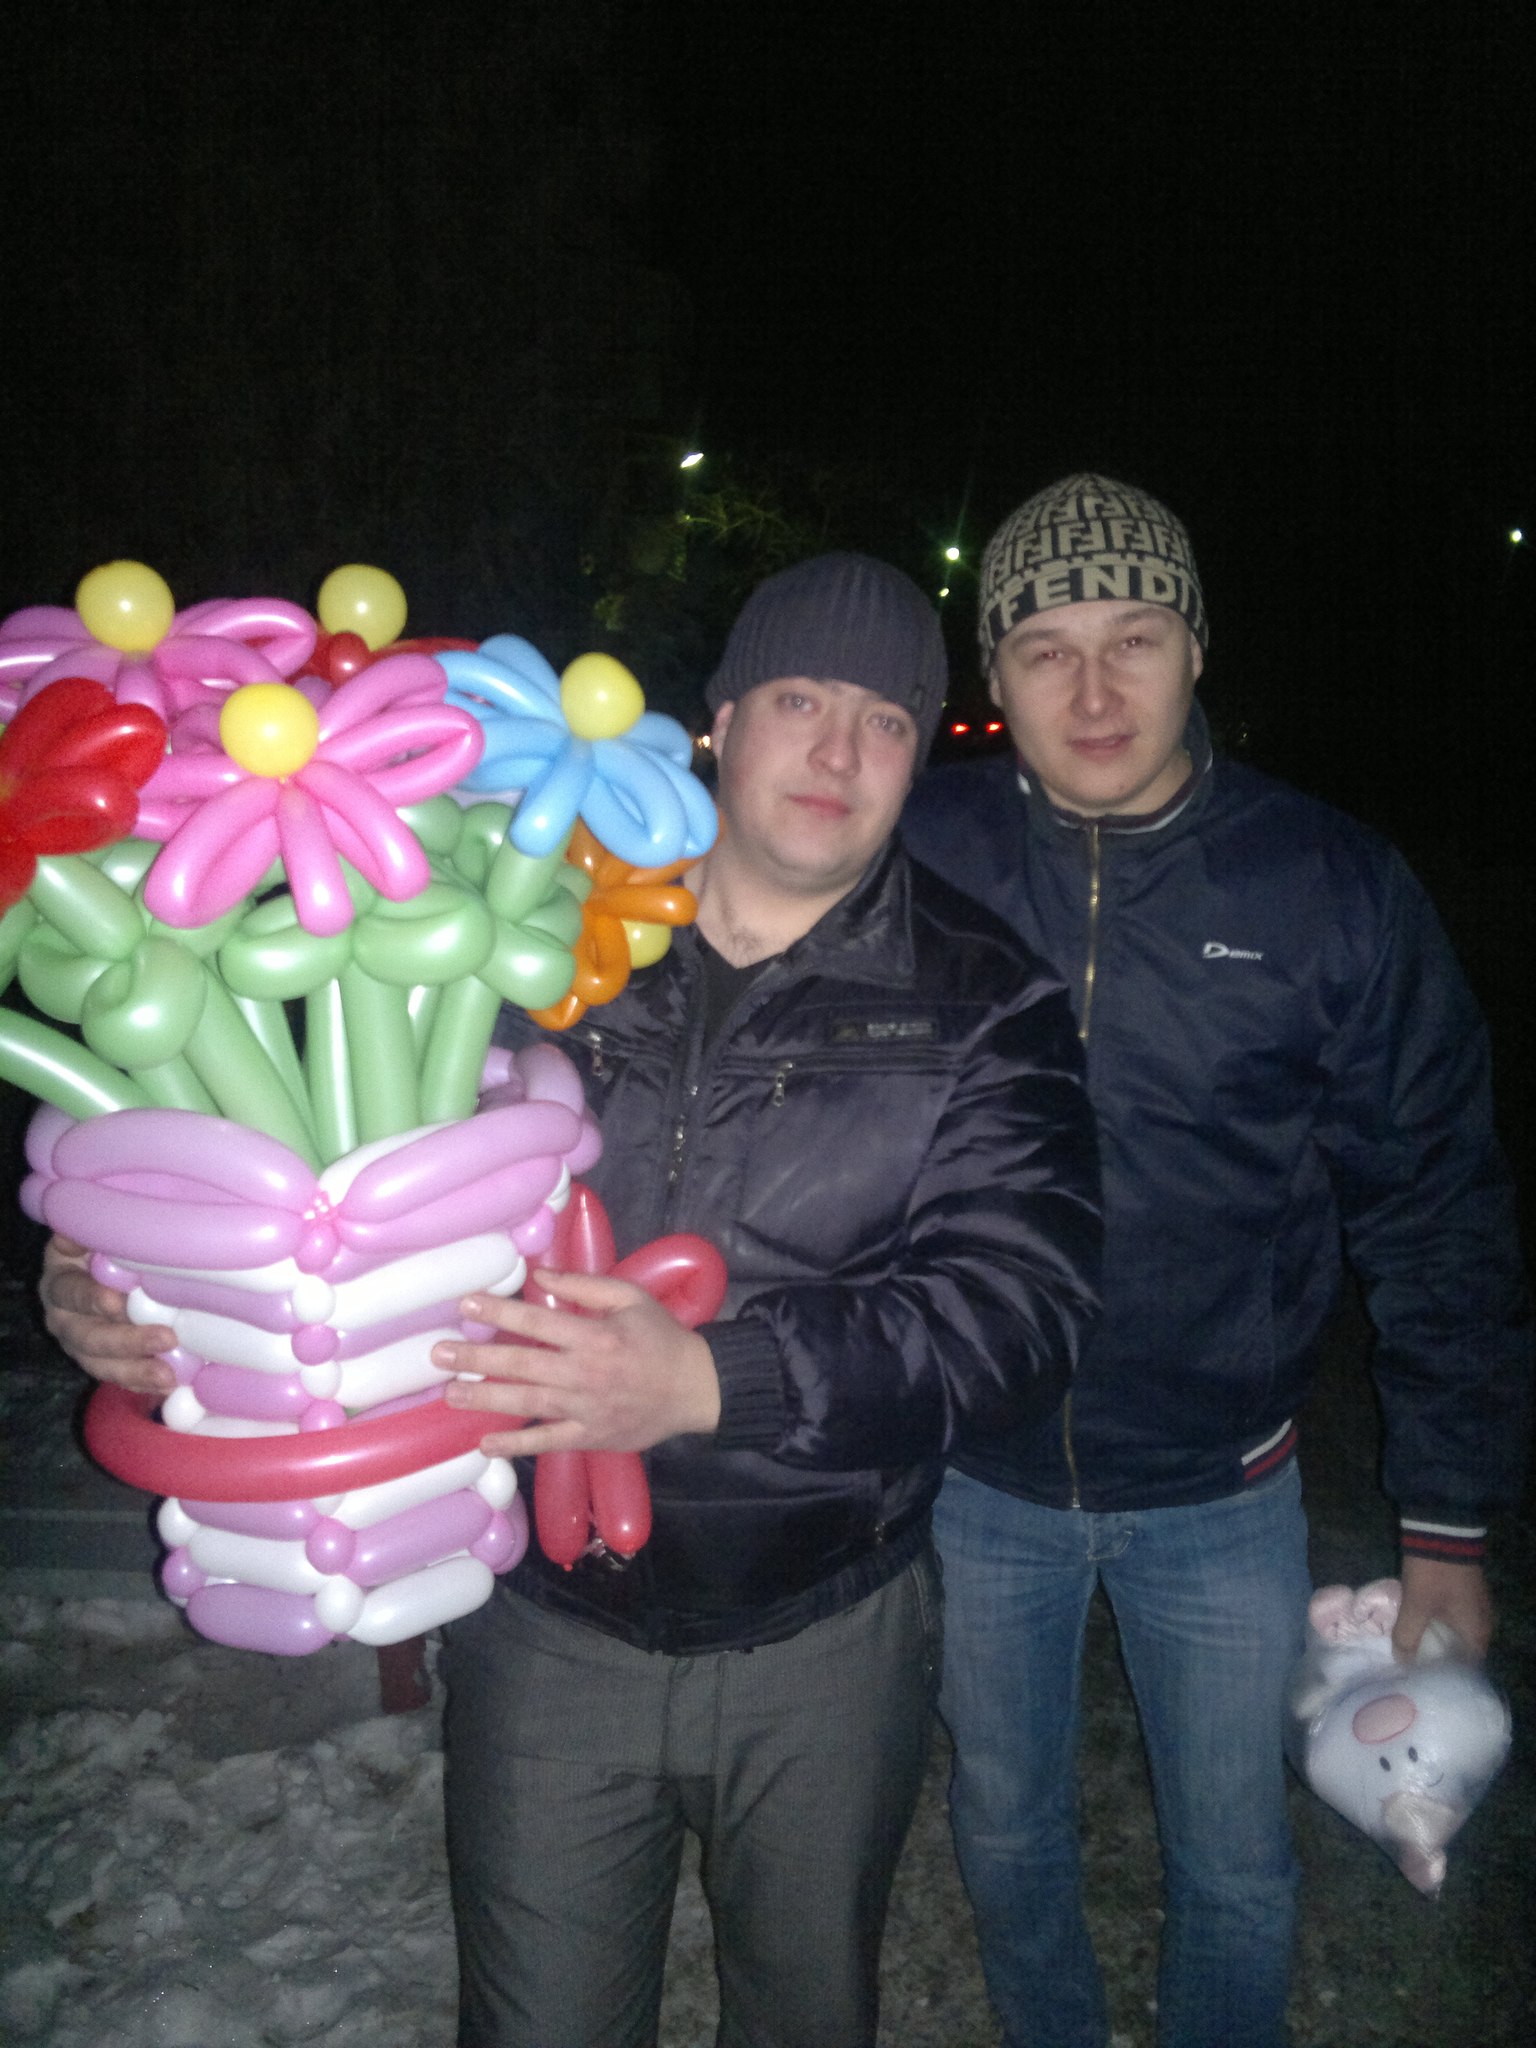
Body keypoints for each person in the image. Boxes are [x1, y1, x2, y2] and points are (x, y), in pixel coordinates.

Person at [42, 552, 1102, 2048]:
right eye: (801, 700)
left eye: (884, 720)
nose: (838, 752)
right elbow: (324, 1162)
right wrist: (133, 1286)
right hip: (544, 1628)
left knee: (807, 2019)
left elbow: (1022, 1310)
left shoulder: (988, 998)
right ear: (721, 719)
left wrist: (709, 1381)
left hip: (825, 1635)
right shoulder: (535, 937)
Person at [901, 473, 1532, 2048]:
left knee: (1239, 1866)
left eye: (1134, 638)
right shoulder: (917, 850)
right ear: (993, 675)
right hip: (977, 1480)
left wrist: (1447, 1523)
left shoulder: (1330, 886)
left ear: (1196, 647)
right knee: (1006, 1832)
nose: (1093, 692)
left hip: (1221, 1491)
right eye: (1045, 648)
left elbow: (1438, 1207)